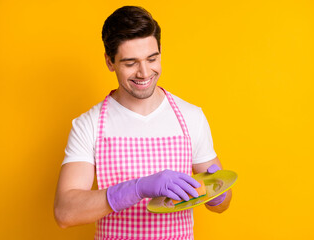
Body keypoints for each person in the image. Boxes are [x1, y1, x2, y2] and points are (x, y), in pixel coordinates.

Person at [54, 5, 232, 239]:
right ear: (110, 62)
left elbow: (220, 205)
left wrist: (219, 195)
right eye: (130, 63)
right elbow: (65, 212)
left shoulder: (191, 116)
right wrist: (137, 188)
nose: (144, 72)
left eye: (152, 58)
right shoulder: (89, 124)